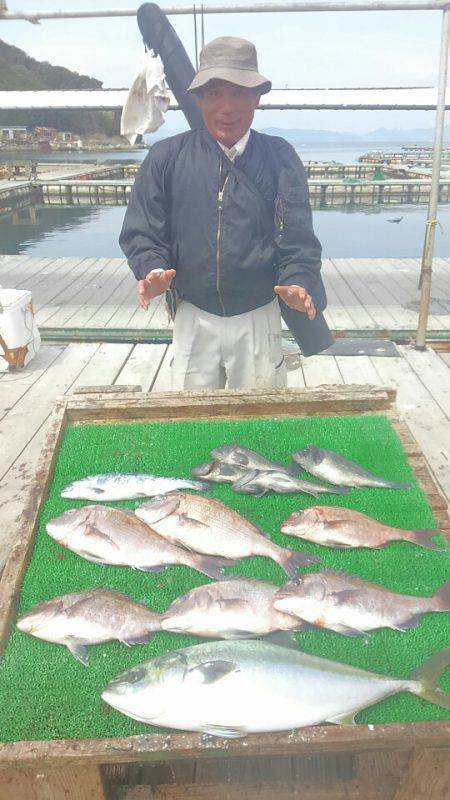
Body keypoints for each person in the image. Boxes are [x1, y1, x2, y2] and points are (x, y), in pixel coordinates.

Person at [120, 36, 328, 390]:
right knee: (192, 414)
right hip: (192, 313)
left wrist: (298, 281)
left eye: (240, 93)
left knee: (261, 414)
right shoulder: (165, 157)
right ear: (198, 98)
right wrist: (152, 268)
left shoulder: (280, 157)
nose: (227, 107)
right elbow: (143, 231)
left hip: (259, 314)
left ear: (257, 97)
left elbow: (298, 240)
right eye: (215, 93)